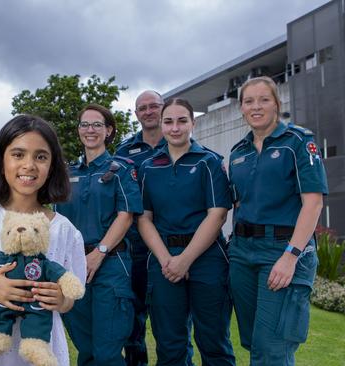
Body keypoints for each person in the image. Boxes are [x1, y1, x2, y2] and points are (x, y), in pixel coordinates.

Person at [0, 115, 86, 365]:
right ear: (1, 160)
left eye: (41, 157)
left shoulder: (65, 230)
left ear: (52, 166)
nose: (29, 165)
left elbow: (70, 300)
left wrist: (61, 300)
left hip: (42, 351)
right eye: (18, 154)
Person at [228, 76, 327, 365]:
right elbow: (237, 203)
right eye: (249, 101)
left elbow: (314, 202)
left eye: (263, 100)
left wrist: (291, 256)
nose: (255, 107)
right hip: (243, 253)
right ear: (242, 108)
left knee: (273, 348)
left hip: (283, 249)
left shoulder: (298, 141)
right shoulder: (238, 153)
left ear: (277, 103)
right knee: (253, 342)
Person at [137, 98, 235, 366]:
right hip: (163, 259)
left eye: (182, 121)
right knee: (170, 346)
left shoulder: (210, 162)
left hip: (207, 259)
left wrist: (185, 260)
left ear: (193, 123)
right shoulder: (148, 167)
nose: (175, 128)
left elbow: (217, 215)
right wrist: (167, 260)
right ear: (161, 124)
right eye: (168, 121)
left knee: (214, 342)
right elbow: (144, 219)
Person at [55, 104, 142, 365]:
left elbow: (125, 216)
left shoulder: (122, 169)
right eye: (85, 124)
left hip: (110, 264)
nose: (90, 130)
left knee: (107, 352)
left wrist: (99, 252)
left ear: (109, 131)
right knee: (86, 350)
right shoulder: (65, 173)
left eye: (97, 125)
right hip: (73, 266)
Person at [114, 90, 166, 366]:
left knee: (171, 326)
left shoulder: (179, 142)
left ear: (163, 108)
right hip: (133, 249)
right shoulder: (123, 151)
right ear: (136, 114)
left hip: (169, 247)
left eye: (153, 106)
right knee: (131, 329)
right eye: (142, 108)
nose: (148, 112)